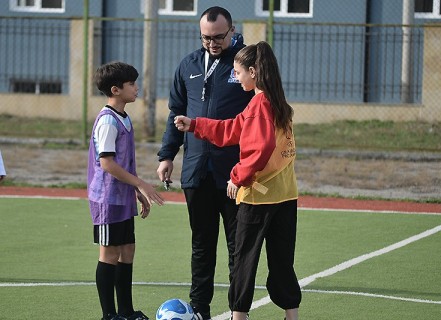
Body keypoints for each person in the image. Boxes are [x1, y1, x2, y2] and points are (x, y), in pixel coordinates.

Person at [174, 41, 302, 320]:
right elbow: (234, 129)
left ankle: (239, 315)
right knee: (282, 260)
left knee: (244, 258)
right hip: (286, 195)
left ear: (253, 72)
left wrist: (237, 176)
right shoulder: (277, 101)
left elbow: (261, 147)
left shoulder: (258, 103)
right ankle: (291, 314)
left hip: (259, 195)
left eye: (238, 72)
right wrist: (195, 124)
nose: (236, 77)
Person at [156, 6, 254, 320]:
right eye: (206, 37)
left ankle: (239, 310)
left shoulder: (247, 66)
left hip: (234, 173)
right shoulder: (189, 64)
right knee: (201, 245)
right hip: (196, 171)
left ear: (232, 31)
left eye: (218, 37)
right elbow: (175, 113)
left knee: (238, 248)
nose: (212, 43)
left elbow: (260, 116)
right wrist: (167, 155)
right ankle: (200, 309)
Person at [88, 61, 165, 320]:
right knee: (109, 253)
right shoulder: (107, 121)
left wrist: (135, 192)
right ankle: (109, 315)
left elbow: (122, 164)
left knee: (128, 249)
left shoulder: (124, 118)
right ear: (116, 89)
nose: (136, 87)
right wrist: (141, 183)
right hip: (107, 199)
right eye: (131, 83)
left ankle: (126, 311)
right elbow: (107, 163)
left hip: (121, 197)